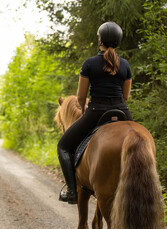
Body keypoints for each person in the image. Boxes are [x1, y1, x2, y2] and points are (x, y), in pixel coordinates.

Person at [57, 21, 134, 204]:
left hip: (96, 112)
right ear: (118, 41)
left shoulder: (90, 64)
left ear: (99, 40)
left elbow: (81, 96)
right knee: (141, 144)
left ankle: (71, 192)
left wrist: (83, 108)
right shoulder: (125, 65)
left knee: (64, 146)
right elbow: (126, 96)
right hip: (122, 111)